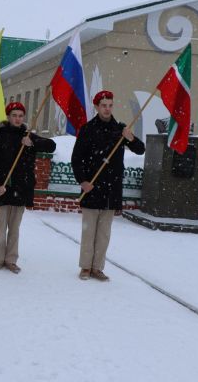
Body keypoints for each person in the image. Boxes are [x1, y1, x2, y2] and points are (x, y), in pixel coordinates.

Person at [71, 90, 145, 281]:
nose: (107, 108)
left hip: (111, 189)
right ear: (97, 107)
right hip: (92, 188)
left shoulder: (120, 129)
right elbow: (77, 159)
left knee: (104, 234)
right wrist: (83, 181)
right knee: (89, 232)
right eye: (103, 105)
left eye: (110, 105)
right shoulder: (87, 129)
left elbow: (140, 149)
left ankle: (98, 267)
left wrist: (130, 138)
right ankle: (85, 267)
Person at [0, 102, 56, 273]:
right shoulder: (0, 136)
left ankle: (11, 260)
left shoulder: (29, 135)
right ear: (8, 117)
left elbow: (51, 145)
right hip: (3, 188)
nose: (17, 119)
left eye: (20, 116)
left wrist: (32, 143)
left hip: (21, 188)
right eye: (14, 115)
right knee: (1, 228)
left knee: (14, 228)